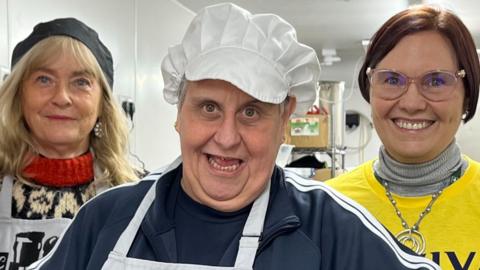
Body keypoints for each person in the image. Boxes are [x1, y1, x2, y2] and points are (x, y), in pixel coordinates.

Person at [30, 3, 439, 270]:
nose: (226, 137)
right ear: (179, 113)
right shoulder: (107, 219)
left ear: (284, 121)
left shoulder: (331, 230)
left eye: (251, 112)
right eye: (208, 108)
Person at [326, 5, 480, 270]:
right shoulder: (328, 207)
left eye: (436, 81)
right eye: (392, 80)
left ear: (467, 95)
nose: (411, 103)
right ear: (370, 89)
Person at [0, 17, 139, 269]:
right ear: (19, 95)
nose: (62, 97)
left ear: (102, 104)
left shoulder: (137, 196)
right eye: (44, 79)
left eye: (81, 82)